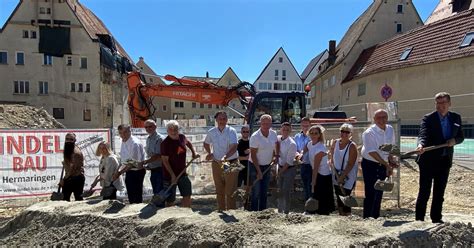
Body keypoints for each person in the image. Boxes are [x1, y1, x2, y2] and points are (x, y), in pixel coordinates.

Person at [415, 92, 464, 223]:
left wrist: (455, 140)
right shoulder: (428, 118)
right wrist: (421, 145)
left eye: (443, 103)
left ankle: (436, 218)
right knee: (424, 191)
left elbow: (461, 136)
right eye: (438, 103)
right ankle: (419, 219)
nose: (440, 106)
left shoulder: (455, 118)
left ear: (449, 104)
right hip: (428, 160)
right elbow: (423, 134)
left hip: (445, 160)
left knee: (439, 192)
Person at [361, 109, 396, 219]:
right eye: (379, 117)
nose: (382, 120)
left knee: (379, 190)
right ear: (374, 119)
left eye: (384, 117)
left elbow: (390, 147)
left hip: (383, 163)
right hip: (370, 164)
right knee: (371, 191)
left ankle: (375, 216)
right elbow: (372, 152)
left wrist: (391, 160)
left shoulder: (390, 129)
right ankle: (367, 217)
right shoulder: (369, 133)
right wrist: (387, 164)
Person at [204, 111, 239, 211]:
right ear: (216, 120)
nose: (222, 121)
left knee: (231, 189)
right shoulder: (211, 131)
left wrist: (225, 157)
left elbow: (234, 147)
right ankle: (221, 210)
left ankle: (232, 211)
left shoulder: (231, 131)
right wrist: (209, 152)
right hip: (216, 162)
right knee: (219, 187)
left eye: (224, 119)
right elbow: (206, 143)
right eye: (220, 119)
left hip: (231, 161)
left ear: (227, 120)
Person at [161, 120, 199, 208]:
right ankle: (170, 218)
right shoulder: (165, 143)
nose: (173, 131)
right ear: (167, 131)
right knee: (170, 200)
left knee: (187, 195)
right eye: (171, 129)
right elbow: (165, 161)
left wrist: (194, 152)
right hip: (169, 176)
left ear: (178, 129)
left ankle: (185, 215)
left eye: (175, 129)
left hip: (182, 173)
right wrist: (172, 175)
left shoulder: (182, 137)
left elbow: (188, 143)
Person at [249, 114, 278, 211]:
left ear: (271, 123)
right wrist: (259, 171)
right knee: (256, 191)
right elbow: (253, 155)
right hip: (255, 166)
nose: (266, 125)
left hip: (267, 166)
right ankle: (253, 212)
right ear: (260, 123)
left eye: (268, 123)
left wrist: (276, 156)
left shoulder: (273, 134)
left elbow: (276, 144)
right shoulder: (255, 136)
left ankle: (262, 211)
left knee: (264, 190)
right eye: (264, 123)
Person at [329, 123, 358, 216]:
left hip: (348, 175)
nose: (344, 134)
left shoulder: (352, 146)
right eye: (342, 131)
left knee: (346, 195)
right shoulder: (335, 142)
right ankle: (341, 214)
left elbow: (350, 164)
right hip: (336, 173)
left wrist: (342, 176)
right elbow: (332, 155)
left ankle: (347, 214)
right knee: (338, 195)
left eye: (347, 132)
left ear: (350, 134)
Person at [307, 125, 335, 215]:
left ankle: (323, 213)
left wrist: (313, 181)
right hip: (316, 172)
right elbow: (305, 149)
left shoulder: (320, 148)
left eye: (316, 133)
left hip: (323, 174)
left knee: (322, 196)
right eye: (311, 133)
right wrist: (300, 154)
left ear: (319, 135)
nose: (313, 135)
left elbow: (316, 167)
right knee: (316, 194)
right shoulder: (310, 144)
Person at [114, 124, 146, 204]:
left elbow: (132, 163)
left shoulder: (134, 143)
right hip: (129, 170)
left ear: (129, 131)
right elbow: (123, 159)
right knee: (131, 194)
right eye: (120, 133)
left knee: (136, 195)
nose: (122, 135)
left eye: (125, 132)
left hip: (137, 171)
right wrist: (117, 171)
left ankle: (137, 211)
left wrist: (119, 173)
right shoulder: (124, 141)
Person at [138, 119, 164, 206]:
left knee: (159, 192)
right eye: (146, 127)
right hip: (153, 168)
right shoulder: (148, 139)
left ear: (155, 127)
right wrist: (147, 164)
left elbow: (157, 155)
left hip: (160, 169)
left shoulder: (159, 138)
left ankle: (160, 210)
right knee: (156, 191)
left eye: (150, 126)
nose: (148, 128)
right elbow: (151, 155)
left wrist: (145, 162)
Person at [276, 122, 297, 214]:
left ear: (290, 131)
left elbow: (288, 162)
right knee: (280, 190)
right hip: (280, 167)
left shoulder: (292, 144)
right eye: (284, 129)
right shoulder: (277, 139)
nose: (285, 131)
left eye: (287, 130)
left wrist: (279, 172)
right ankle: (279, 210)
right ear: (281, 129)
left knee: (286, 190)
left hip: (289, 169)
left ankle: (286, 211)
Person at [60, 133, 85, 201]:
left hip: (76, 178)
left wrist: (63, 180)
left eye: (71, 139)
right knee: (66, 198)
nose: (68, 141)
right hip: (72, 177)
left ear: (74, 140)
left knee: (74, 200)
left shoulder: (75, 152)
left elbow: (72, 169)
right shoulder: (70, 148)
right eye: (67, 139)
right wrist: (65, 163)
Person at [294, 117, 312, 202]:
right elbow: (295, 149)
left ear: (310, 125)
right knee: (305, 184)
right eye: (304, 125)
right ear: (301, 126)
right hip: (302, 164)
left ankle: (311, 203)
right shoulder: (297, 137)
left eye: (307, 126)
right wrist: (297, 155)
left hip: (312, 164)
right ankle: (307, 203)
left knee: (311, 185)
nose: (305, 128)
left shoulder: (313, 136)